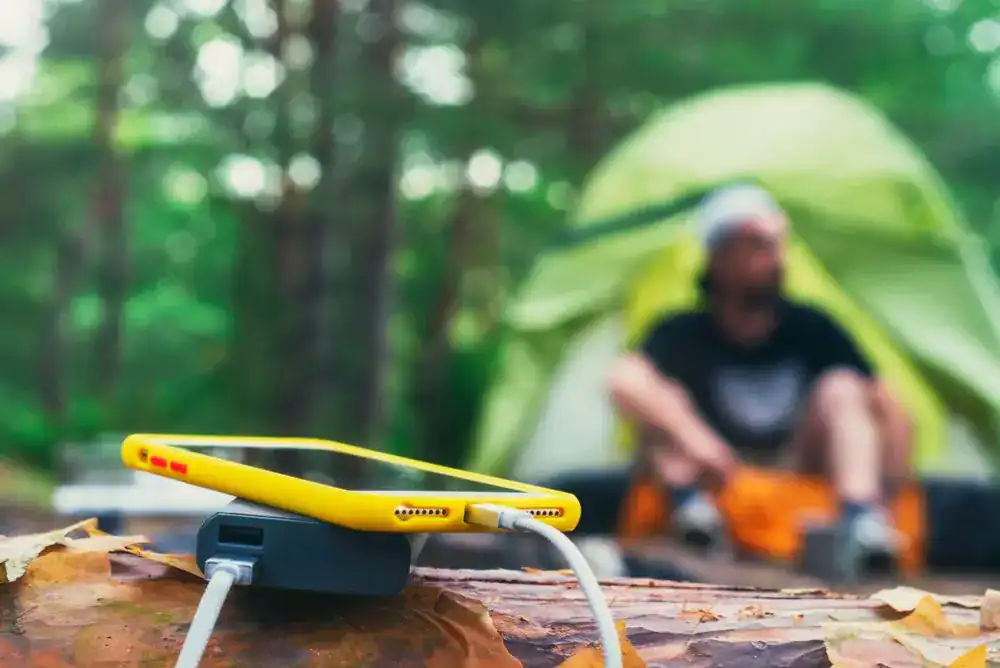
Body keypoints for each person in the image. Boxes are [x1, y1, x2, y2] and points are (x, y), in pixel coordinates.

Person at [607, 183, 914, 567]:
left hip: (796, 466)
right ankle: (693, 517)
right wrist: (698, 440)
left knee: (842, 387)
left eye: (777, 241)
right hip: (713, 477)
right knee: (662, 398)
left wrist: (891, 494)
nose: (774, 255)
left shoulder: (812, 326)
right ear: (718, 256)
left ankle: (862, 518)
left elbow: (887, 403)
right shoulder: (682, 332)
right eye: (756, 243)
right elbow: (623, 379)